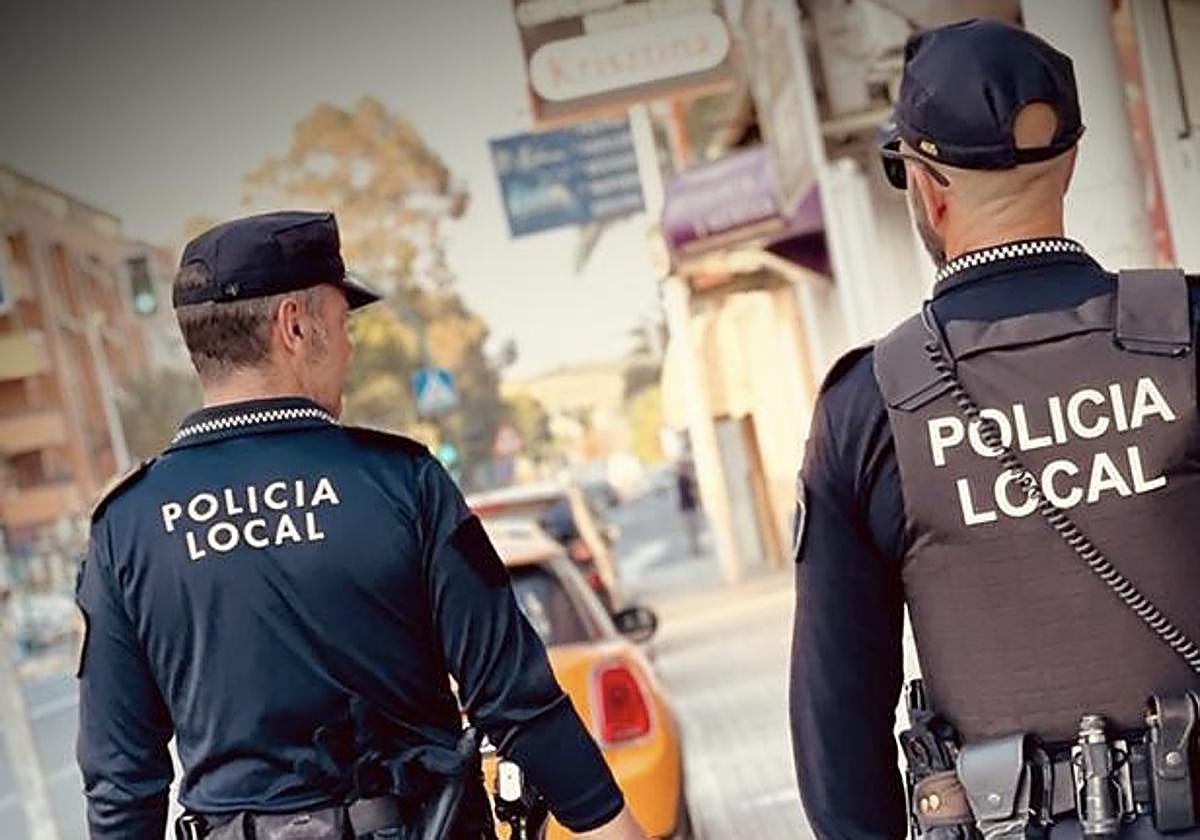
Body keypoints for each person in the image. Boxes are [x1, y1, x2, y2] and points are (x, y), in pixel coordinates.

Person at [76, 211, 646, 840]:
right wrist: (609, 826)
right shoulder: (402, 482)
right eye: (342, 323)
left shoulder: (125, 527)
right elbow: (515, 698)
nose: (348, 347)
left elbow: (122, 781)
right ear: (294, 326)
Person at [790, 20, 1200, 839]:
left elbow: (838, 725)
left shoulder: (870, 406)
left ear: (924, 185)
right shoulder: (1186, 333)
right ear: (1071, 160)